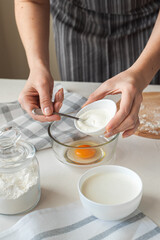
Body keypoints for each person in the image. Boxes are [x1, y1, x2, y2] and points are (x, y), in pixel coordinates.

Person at [14, 0, 160, 138]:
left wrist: (141, 74)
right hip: (75, 24)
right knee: (82, 97)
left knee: (138, 109)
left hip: (150, 29)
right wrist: (37, 66)